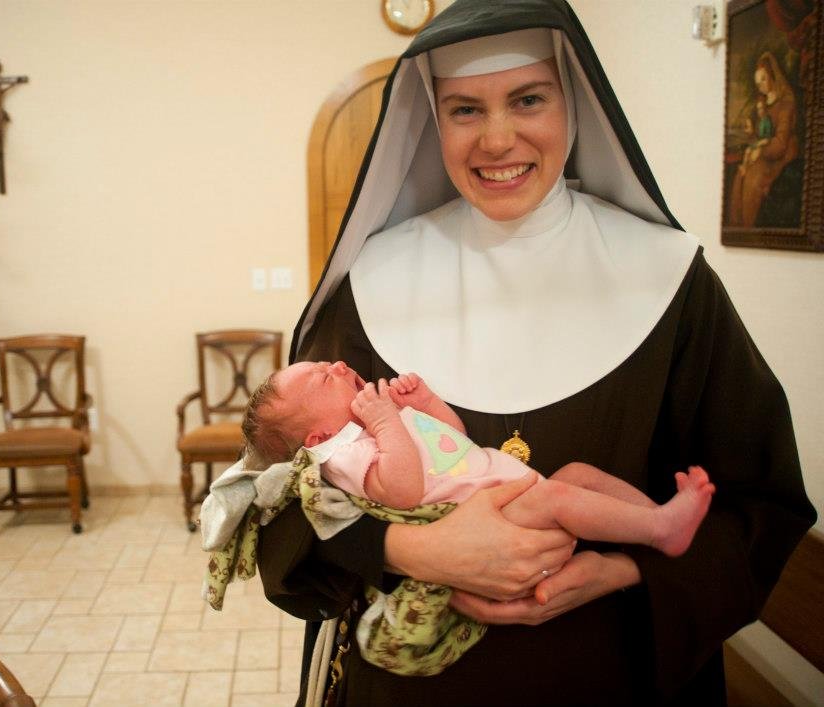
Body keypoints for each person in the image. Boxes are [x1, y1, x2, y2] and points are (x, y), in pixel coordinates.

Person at [253, 1, 816, 705]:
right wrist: (410, 549)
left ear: (571, 101)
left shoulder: (670, 279)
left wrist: (624, 570)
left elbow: (759, 505)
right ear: (433, 118)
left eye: (527, 98)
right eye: (464, 108)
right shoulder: (369, 283)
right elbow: (279, 507)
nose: (497, 138)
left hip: (611, 672)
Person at [244, 361, 715, 562]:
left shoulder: (376, 426)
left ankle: (656, 518)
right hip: (495, 516)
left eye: (333, 364)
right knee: (562, 495)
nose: (341, 367)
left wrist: (426, 404)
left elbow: (456, 445)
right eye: (326, 379)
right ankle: (660, 531)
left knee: (578, 474)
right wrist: (388, 421)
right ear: (318, 437)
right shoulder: (344, 455)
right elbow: (405, 491)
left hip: (502, 484)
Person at [728, 51, 800, 227]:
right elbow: (762, 135)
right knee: (740, 176)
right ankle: (741, 230)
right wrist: (752, 132)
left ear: (773, 77)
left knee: (754, 178)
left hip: (781, 156)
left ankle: (749, 229)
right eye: (757, 82)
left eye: (763, 79)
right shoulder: (763, 104)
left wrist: (760, 150)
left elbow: (780, 143)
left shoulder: (786, 104)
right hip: (765, 152)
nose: (760, 85)